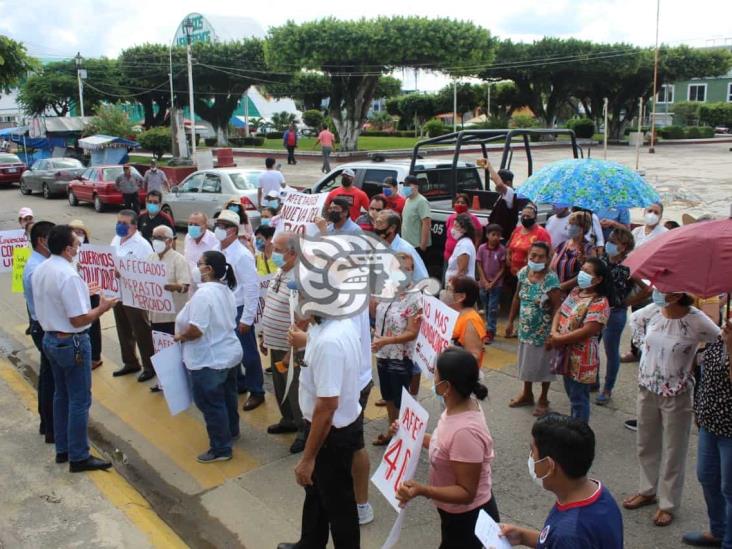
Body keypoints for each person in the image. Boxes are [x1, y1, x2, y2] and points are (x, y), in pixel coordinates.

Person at [623, 289, 720, 527]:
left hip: (677, 393)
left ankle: (667, 503)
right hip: (647, 387)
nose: (657, 292)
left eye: (663, 289)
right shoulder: (653, 311)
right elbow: (634, 321)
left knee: (674, 449)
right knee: (646, 443)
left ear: (678, 295)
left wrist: (698, 358)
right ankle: (647, 490)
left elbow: (718, 340)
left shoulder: (696, 319)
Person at [32, 224, 118, 472]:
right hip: (72, 342)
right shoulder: (68, 275)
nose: (79, 249)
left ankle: (63, 449)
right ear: (68, 249)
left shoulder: (43, 268)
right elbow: (79, 319)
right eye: (77, 245)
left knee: (61, 394)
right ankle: (79, 456)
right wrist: (102, 308)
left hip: (50, 338)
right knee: (79, 399)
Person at [278, 307, 363, 549]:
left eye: (302, 297)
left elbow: (326, 408)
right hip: (329, 427)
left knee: (340, 507)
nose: (295, 304)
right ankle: (310, 542)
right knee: (316, 493)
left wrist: (308, 458)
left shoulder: (329, 342)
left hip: (331, 434)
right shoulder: (329, 324)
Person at [395, 348, 497, 549]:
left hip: (469, 519)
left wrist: (424, 490)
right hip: (454, 515)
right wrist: (410, 434)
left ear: (446, 386)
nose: (433, 380)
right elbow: (443, 445)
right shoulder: (458, 407)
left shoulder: (464, 432)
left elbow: (467, 492)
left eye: (435, 375)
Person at [500, 414, 624, 549]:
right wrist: (523, 536)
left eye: (532, 451)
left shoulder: (570, 533)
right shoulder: (598, 493)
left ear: (549, 465)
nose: (531, 457)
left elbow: (564, 540)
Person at [175, 250, 242, 463]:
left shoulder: (204, 295)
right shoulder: (224, 290)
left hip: (209, 358)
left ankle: (221, 448)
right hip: (227, 354)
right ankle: (230, 431)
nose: (196, 266)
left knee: (211, 404)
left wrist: (180, 337)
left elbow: (197, 329)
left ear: (208, 269)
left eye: (199, 263)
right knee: (228, 397)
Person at [683, 322, 732, 547]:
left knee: (729, 488)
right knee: (707, 476)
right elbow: (705, 377)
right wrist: (699, 408)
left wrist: (730, 348)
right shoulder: (720, 335)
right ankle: (718, 530)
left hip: (729, 430)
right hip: (709, 423)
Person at [549, 258, 611, 422]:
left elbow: (588, 330)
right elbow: (560, 311)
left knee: (579, 399)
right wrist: (554, 332)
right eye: (582, 270)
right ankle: (574, 425)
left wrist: (559, 339)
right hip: (565, 352)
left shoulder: (600, 302)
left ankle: (579, 432)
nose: (582, 274)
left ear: (598, 279)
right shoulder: (576, 291)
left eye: (587, 272)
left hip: (582, 357)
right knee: (571, 392)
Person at [261, 232, 307, 454]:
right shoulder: (281, 270)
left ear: (293, 252)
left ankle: (303, 431)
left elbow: (304, 318)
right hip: (275, 341)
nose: (274, 254)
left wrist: (292, 350)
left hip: (292, 347)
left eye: (278, 250)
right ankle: (287, 419)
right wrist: (264, 335)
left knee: (296, 388)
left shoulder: (301, 278)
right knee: (280, 386)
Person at [214, 210, 264, 410]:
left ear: (233, 230)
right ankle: (241, 384)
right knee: (230, 350)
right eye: (217, 225)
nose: (217, 230)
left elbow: (252, 288)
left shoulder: (242, 255)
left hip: (239, 309)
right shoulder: (216, 249)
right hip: (222, 308)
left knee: (248, 353)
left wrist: (247, 318)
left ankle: (257, 390)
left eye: (222, 226)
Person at [505, 242, 562, 417]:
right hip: (525, 329)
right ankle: (527, 393)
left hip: (543, 332)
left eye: (540, 257)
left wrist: (553, 332)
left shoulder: (551, 279)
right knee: (526, 363)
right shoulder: (523, 273)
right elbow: (516, 297)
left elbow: (557, 307)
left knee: (544, 366)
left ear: (547, 259)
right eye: (533, 255)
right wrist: (510, 322)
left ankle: (543, 399)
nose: (536, 259)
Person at [371, 253, 422, 446]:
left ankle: (405, 440)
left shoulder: (414, 297)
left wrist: (387, 340)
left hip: (400, 356)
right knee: (388, 397)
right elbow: (375, 313)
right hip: (382, 352)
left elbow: (412, 332)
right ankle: (393, 432)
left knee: (402, 401)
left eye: (408, 269)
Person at [596, 228, 649, 405]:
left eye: (614, 241)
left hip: (615, 313)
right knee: (592, 346)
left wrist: (627, 302)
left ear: (624, 246)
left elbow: (647, 289)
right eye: (609, 239)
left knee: (611, 353)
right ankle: (592, 380)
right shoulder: (601, 260)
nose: (609, 243)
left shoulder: (628, 266)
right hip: (596, 310)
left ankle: (607, 388)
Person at [110, 210, 157, 382]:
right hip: (117, 293)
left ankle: (150, 366)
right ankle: (130, 362)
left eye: (124, 223)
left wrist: (123, 272)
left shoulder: (142, 245)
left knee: (141, 331)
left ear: (134, 225)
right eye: (118, 222)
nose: (120, 226)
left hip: (135, 295)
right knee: (123, 329)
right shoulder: (116, 239)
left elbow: (148, 272)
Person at [622, 202, 669, 364]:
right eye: (649, 211)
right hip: (635, 277)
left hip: (653, 280)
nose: (652, 214)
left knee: (653, 317)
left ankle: (651, 352)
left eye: (656, 212)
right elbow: (629, 253)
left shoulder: (664, 234)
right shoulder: (637, 231)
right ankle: (635, 350)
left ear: (661, 216)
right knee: (637, 315)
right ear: (644, 212)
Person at [23, 220, 55, 443]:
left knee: (47, 378)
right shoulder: (38, 270)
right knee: (53, 381)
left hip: (41, 326)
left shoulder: (40, 264)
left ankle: (47, 424)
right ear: (43, 241)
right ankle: (52, 427)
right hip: (45, 329)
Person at [69, 219, 103, 370]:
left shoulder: (90, 251)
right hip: (77, 293)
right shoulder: (68, 251)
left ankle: (95, 356)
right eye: (74, 232)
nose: (78, 235)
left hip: (91, 292)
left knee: (93, 324)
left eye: (81, 232)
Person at [148, 225, 190, 336]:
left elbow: (185, 287)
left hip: (172, 317)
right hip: (154, 314)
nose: (156, 241)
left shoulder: (179, 260)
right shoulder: (150, 258)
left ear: (170, 241)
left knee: (172, 349)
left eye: (160, 238)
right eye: (154, 237)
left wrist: (174, 287)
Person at [373, 209, 428, 282]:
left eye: (380, 223)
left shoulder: (406, 249)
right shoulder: (379, 246)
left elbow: (422, 279)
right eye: (376, 223)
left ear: (392, 228)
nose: (376, 227)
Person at [550, 211, 595, 295]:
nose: (569, 227)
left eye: (573, 224)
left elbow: (586, 275)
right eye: (569, 223)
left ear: (582, 228)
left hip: (575, 295)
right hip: (556, 293)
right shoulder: (563, 245)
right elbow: (551, 267)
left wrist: (561, 287)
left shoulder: (589, 249)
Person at [482, 158, 527, 241]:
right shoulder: (502, 196)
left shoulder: (510, 193)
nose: (495, 185)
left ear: (508, 183)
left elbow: (499, 184)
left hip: (502, 239)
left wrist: (489, 167)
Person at [445, 276, 487, 364]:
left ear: (461, 297)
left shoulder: (471, 321)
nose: (445, 293)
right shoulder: (454, 313)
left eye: (449, 289)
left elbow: (474, 356)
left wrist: (450, 349)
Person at [477, 224, 506, 344]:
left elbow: (503, 268)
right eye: (493, 234)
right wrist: (483, 280)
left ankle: (490, 331)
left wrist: (493, 282)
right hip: (484, 283)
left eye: (498, 235)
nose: (495, 237)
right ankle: (488, 326)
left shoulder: (502, 250)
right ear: (487, 235)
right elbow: (479, 264)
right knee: (486, 306)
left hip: (496, 284)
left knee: (493, 307)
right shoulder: (482, 248)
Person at [507, 203, 552, 277]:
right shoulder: (517, 230)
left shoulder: (542, 233)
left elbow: (549, 255)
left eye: (528, 216)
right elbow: (509, 245)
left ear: (535, 218)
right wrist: (508, 256)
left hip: (530, 275)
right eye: (523, 216)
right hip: (513, 273)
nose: (525, 218)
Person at [183, 212, 219, 294]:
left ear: (205, 226)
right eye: (190, 224)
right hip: (192, 286)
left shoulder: (214, 240)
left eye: (196, 225)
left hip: (207, 287)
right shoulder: (188, 237)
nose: (192, 227)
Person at [443, 193, 482, 268]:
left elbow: (479, 235)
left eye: (463, 203)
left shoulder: (472, 219)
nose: (460, 204)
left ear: (467, 205)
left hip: (463, 257)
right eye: (458, 202)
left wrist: (474, 249)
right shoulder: (451, 218)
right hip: (449, 256)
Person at [401, 175, 432, 257]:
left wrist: (423, 245)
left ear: (416, 186)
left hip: (417, 247)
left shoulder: (421, 201)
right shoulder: (407, 200)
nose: (405, 187)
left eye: (407, 185)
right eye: (404, 185)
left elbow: (426, 223)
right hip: (407, 245)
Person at [444, 213, 477, 286]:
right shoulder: (462, 243)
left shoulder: (465, 245)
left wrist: (451, 284)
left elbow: (462, 271)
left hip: (461, 287)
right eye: (453, 225)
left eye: (457, 226)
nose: (453, 229)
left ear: (465, 230)